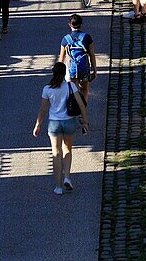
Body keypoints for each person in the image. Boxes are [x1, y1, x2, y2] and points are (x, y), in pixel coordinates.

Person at [33, 62, 88, 196]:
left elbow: (43, 109)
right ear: (64, 73)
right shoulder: (70, 86)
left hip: (54, 124)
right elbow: (81, 104)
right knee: (67, 149)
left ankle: (58, 187)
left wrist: (37, 124)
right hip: (69, 122)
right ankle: (67, 177)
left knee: (56, 153)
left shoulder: (47, 89)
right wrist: (84, 122)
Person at [58, 14, 97, 100]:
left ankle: (74, 108)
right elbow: (92, 55)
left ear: (69, 24)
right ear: (81, 24)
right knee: (84, 89)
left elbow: (61, 59)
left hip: (72, 69)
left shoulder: (65, 39)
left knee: (73, 90)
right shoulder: (87, 37)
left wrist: (59, 74)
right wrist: (94, 70)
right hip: (84, 68)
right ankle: (83, 108)